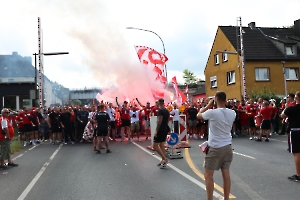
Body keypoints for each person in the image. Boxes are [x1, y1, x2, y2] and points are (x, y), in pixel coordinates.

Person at [197, 91, 236, 200]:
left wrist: (208, 105)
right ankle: (226, 198)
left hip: (215, 147)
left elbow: (198, 115)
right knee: (226, 174)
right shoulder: (232, 113)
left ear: (216, 99)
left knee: (208, 175)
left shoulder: (212, 112)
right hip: (228, 146)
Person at [281, 91, 300, 182]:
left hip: (295, 131)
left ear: (296, 98)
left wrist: (286, 108)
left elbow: (282, 116)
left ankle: (298, 175)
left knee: (296, 152)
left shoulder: (291, 108)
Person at [153, 98, 170, 167]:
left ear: (159, 103)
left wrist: (156, 130)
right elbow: (168, 120)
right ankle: (163, 160)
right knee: (161, 144)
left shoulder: (160, 111)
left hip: (161, 129)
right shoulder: (167, 110)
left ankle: (164, 158)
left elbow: (159, 121)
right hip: (165, 128)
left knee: (155, 146)